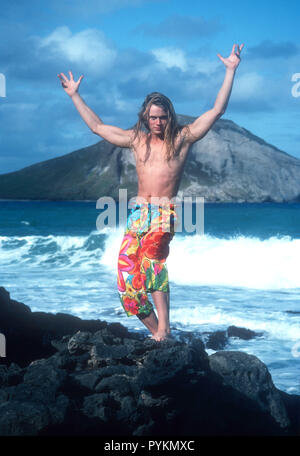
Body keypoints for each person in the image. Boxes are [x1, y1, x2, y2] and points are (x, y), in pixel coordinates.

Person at [58, 43, 244, 341]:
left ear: (170, 116)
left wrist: (230, 71)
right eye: (153, 117)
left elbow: (217, 110)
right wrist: (74, 95)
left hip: (163, 212)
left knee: (153, 263)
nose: (158, 122)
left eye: (163, 117)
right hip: (137, 214)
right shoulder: (136, 140)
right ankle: (158, 333)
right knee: (127, 280)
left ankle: (165, 329)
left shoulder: (183, 139)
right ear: (145, 117)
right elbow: (97, 127)